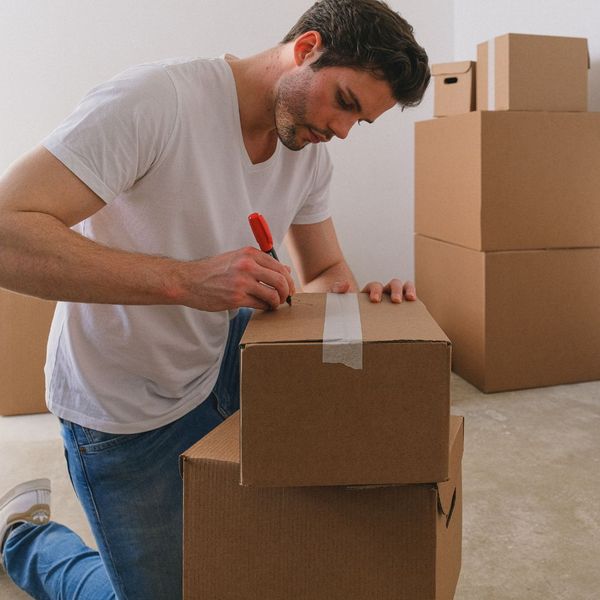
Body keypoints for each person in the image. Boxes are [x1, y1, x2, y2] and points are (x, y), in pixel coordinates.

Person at [0, 0, 430, 597]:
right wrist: (183, 280)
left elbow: (325, 268)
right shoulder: (156, 101)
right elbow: (6, 230)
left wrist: (361, 309)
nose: (341, 130)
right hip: (122, 403)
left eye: (361, 122)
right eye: (346, 103)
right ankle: (24, 536)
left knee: (239, 557)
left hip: (222, 367)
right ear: (306, 49)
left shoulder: (308, 156)